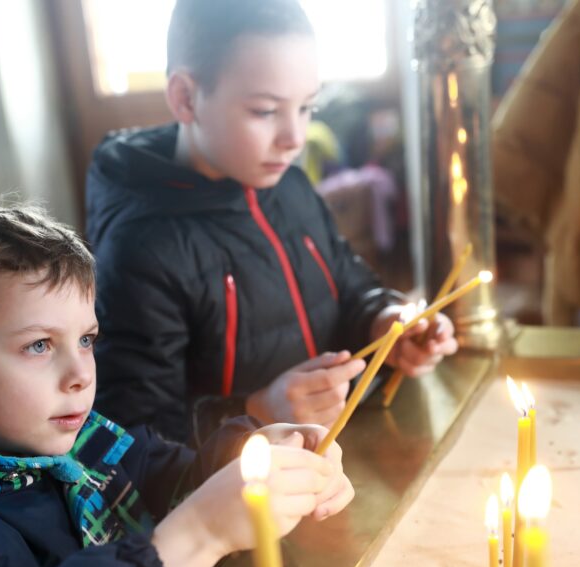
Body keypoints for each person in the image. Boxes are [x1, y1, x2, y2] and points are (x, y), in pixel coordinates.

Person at [0, 204, 353, 567]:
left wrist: (257, 454)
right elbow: (194, 519)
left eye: (86, 340)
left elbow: (175, 477)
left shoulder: (81, 442)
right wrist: (200, 534)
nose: (82, 374)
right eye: (39, 345)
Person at [86, 0, 458, 446]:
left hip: (338, 454)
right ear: (186, 98)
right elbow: (132, 438)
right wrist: (255, 413)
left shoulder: (291, 187)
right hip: (248, 484)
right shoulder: (141, 247)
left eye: (306, 107)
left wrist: (386, 322)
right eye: (265, 111)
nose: (295, 138)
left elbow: (349, 286)